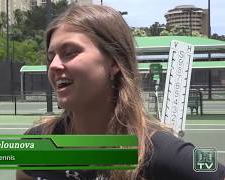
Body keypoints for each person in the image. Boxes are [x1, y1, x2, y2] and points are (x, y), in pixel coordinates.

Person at [16, 4, 225, 180]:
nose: (54, 65)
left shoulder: (164, 152)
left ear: (114, 62)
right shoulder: (36, 143)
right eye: (50, 57)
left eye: (70, 52)